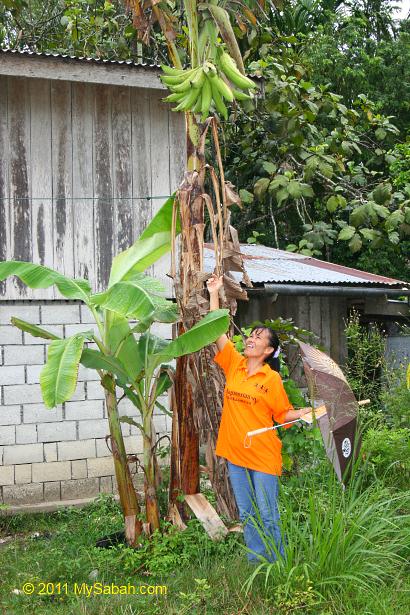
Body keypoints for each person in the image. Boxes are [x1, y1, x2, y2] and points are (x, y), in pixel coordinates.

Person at [207, 273, 311, 563]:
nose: (251, 339)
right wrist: (215, 292)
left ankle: (277, 562)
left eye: (258, 338)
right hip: (235, 453)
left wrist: (302, 413)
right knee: (247, 512)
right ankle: (257, 563)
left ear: (267, 351)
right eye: (251, 335)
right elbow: (217, 330)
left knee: (267, 512)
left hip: (264, 454)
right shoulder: (235, 364)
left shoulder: (272, 379)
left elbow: (283, 414)